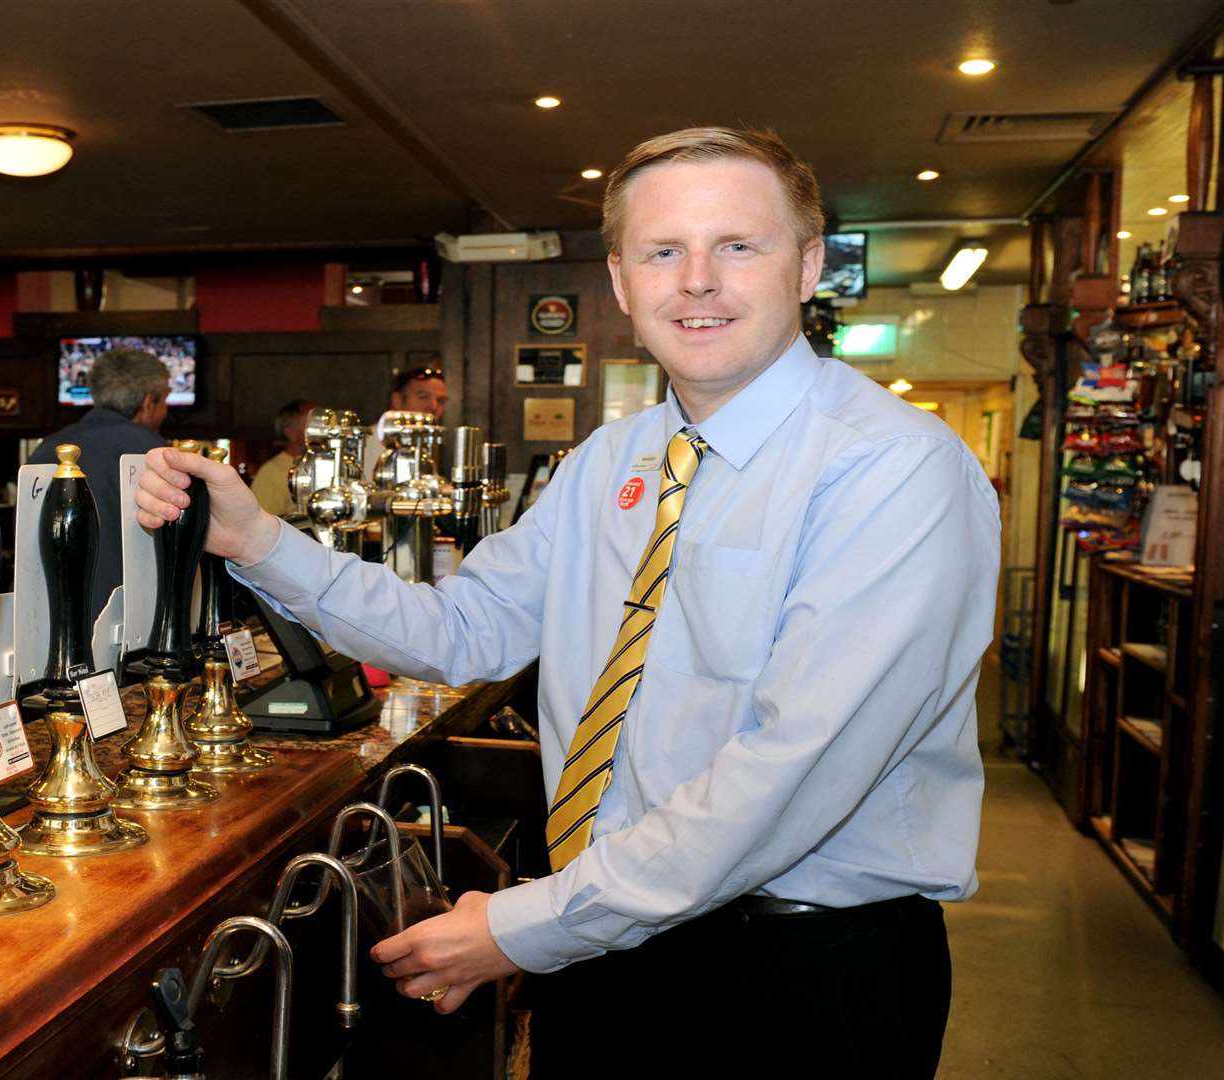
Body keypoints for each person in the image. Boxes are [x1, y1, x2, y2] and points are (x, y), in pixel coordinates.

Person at [134, 126, 996, 1076]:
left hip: (799, 970)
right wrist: (256, 540)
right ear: (623, 283)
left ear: (807, 266)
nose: (698, 280)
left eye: (738, 246)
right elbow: (459, 628)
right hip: (607, 940)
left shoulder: (893, 466)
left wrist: (529, 924)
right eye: (664, 251)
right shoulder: (611, 464)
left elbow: (795, 769)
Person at [27, 347, 170, 628]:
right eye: (165, 401)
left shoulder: (47, 448)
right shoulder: (153, 454)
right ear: (148, 403)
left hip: (43, 615)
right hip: (125, 619)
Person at [362, 365, 450, 479]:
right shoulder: (368, 442)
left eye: (441, 400)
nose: (434, 406)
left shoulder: (431, 442)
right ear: (397, 400)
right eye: (423, 397)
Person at [250, 398, 316, 517]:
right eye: (312, 423)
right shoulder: (271, 472)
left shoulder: (326, 466)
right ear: (290, 432)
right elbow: (261, 521)